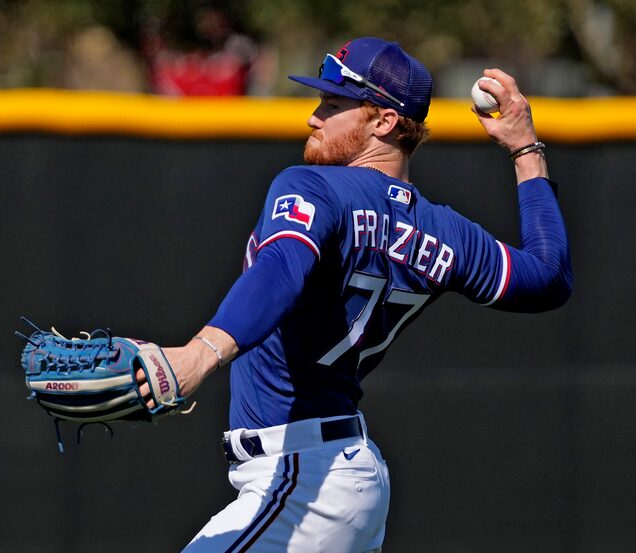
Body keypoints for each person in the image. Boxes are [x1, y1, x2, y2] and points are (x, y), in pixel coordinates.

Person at [137, 37, 573, 552]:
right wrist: (525, 151)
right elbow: (549, 276)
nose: (313, 118)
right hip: (340, 473)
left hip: (303, 477)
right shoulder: (448, 233)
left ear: (383, 121)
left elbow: (280, 268)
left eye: (333, 104)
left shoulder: (314, 187)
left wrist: (199, 354)